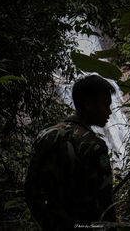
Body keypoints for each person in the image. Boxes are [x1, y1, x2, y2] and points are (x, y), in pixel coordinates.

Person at [24, 74, 117, 230]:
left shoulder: (45, 135)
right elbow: (105, 204)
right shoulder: (93, 146)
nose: (109, 112)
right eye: (105, 105)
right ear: (88, 104)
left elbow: (31, 191)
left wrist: (47, 223)